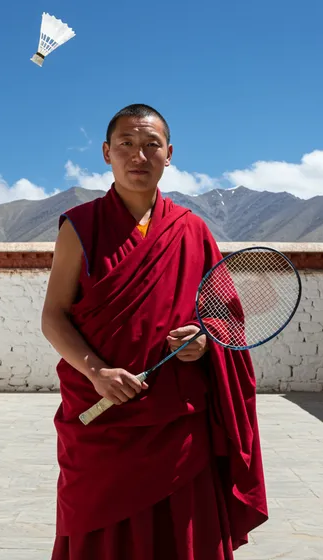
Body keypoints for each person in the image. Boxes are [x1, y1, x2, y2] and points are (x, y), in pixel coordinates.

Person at [41, 103, 267, 559]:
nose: (138, 156)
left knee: (181, 535)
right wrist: (97, 373)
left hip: (176, 422)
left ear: (169, 154)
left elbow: (223, 318)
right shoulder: (81, 227)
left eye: (151, 145)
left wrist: (204, 343)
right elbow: (54, 316)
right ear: (107, 152)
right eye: (126, 144)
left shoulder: (193, 231)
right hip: (102, 419)